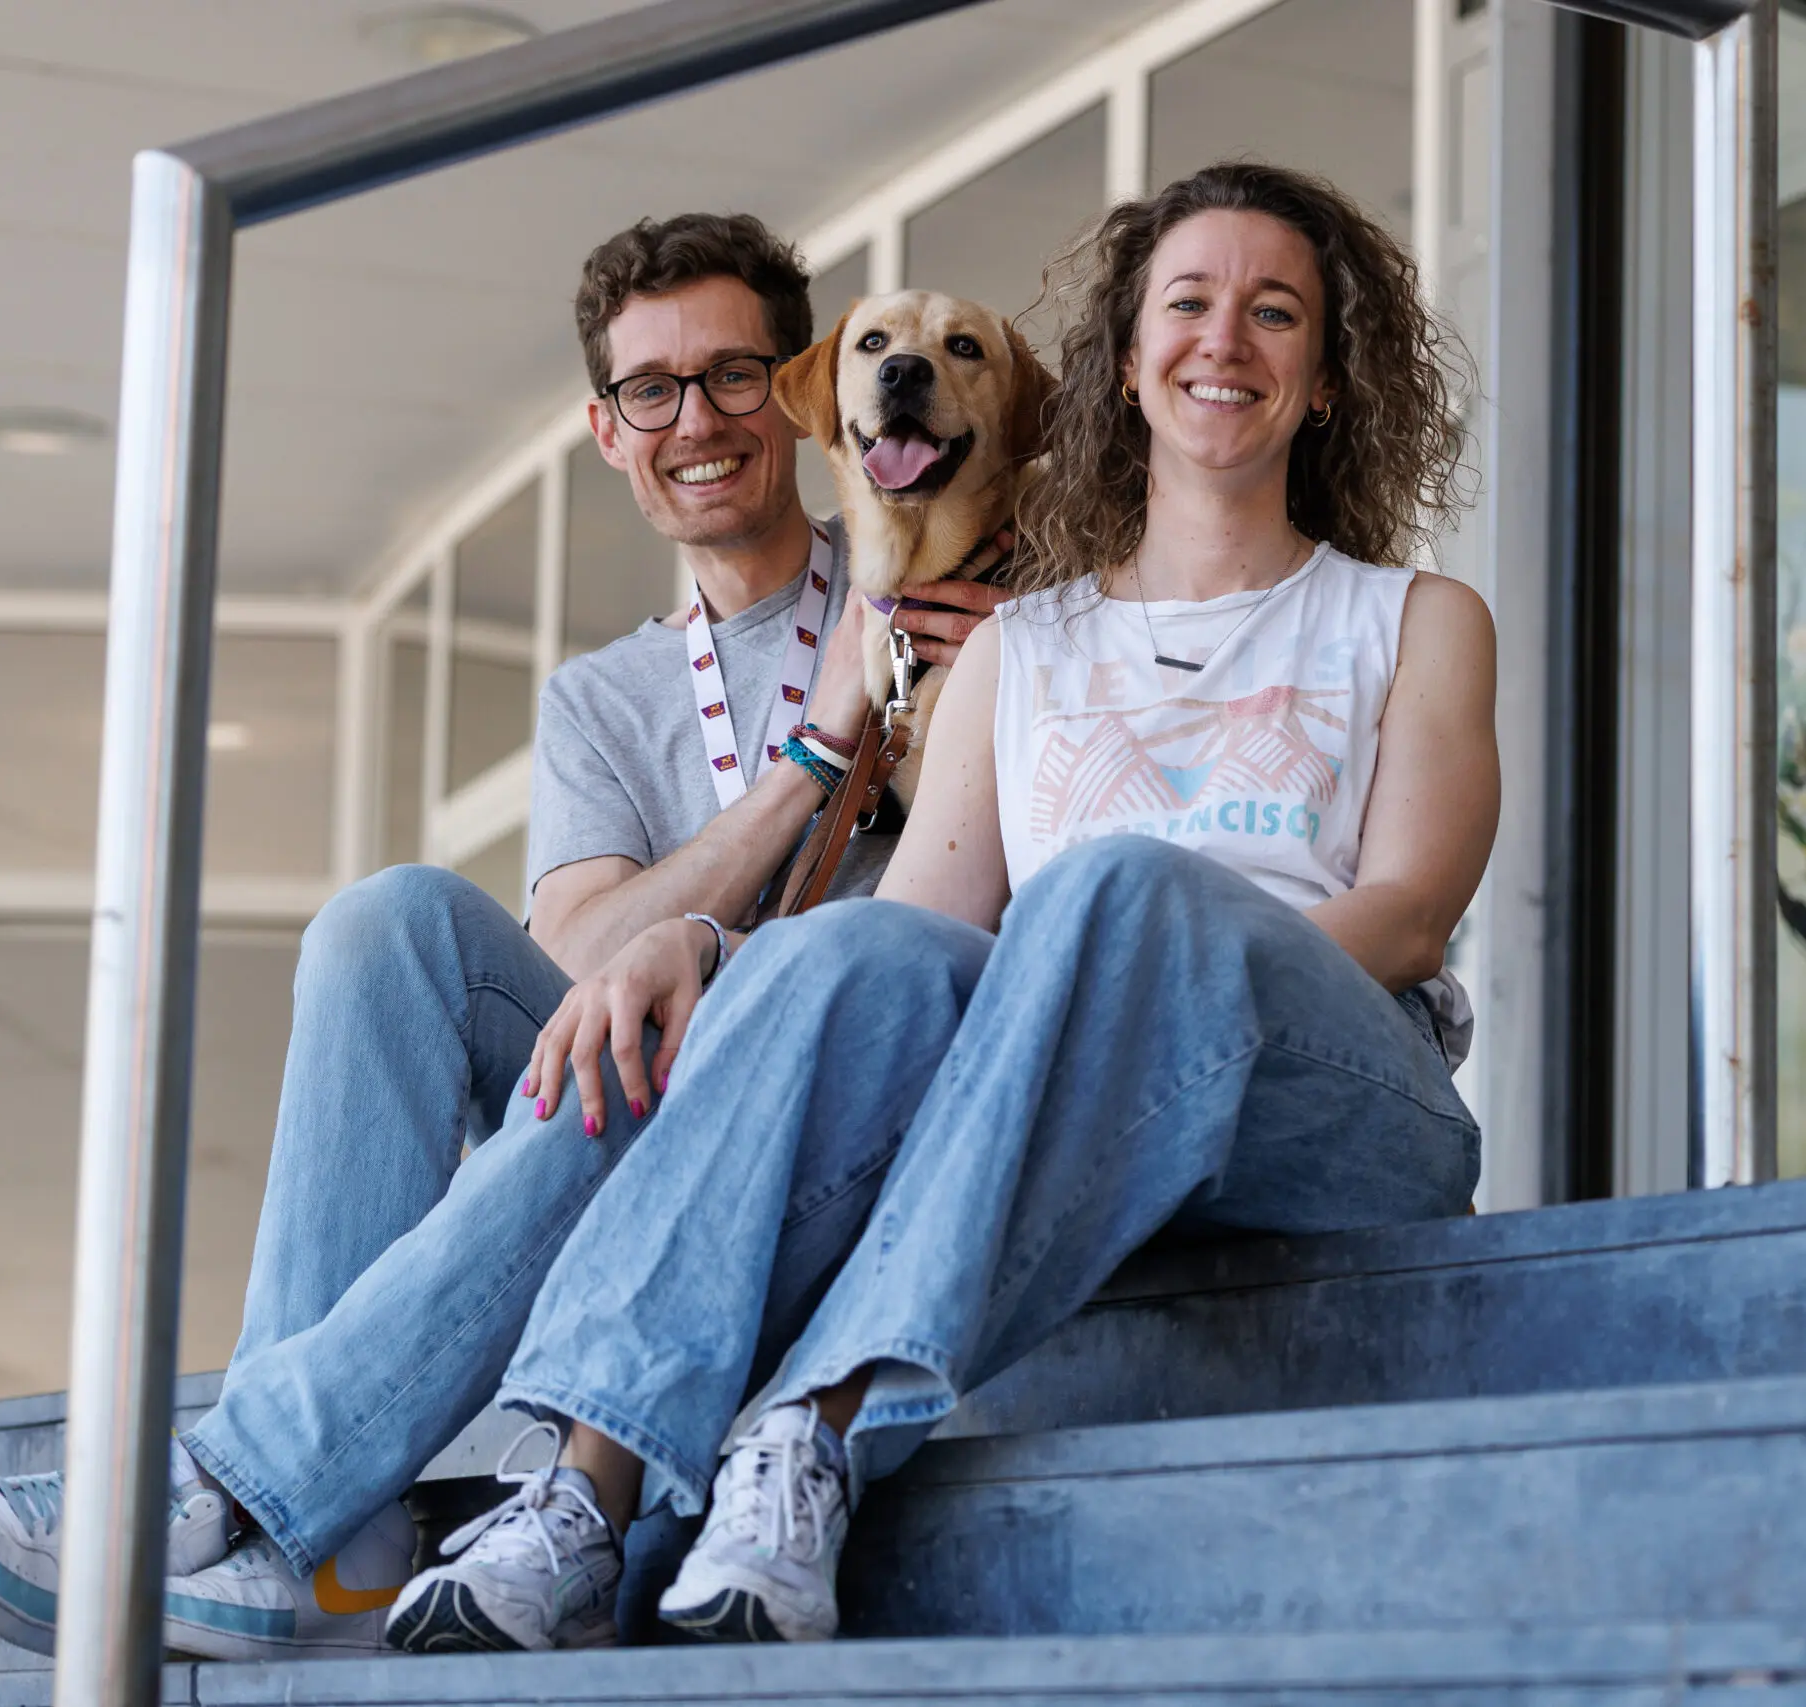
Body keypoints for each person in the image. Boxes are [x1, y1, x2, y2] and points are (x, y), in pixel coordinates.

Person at [385, 161, 1497, 1653]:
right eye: (1188, 303)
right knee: (841, 955)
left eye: (1275, 312)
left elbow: (1412, 912)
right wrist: (705, 940)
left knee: (1112, 896)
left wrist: (1135, 962)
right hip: (1091, 1094)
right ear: (1123, 361)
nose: (1224, 338)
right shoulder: (1018, 645)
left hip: (1341, 1090)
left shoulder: (1411, 617)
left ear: (1328, 378)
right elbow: (906, 938)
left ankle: (817, 1417)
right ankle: (584, 1492)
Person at [0, 212, 1009, 1661]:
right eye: (650, 390)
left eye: (732, 375)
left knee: (649, 1045)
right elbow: (588, 954)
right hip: (636, 1066)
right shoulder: (604, 699)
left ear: (797, 394)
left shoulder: (943, 574)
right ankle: (321, 1521)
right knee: (390, 920)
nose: (696, 420)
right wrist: (815, 744)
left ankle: (252, 1486)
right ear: (607, 430)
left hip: (815, 1109)